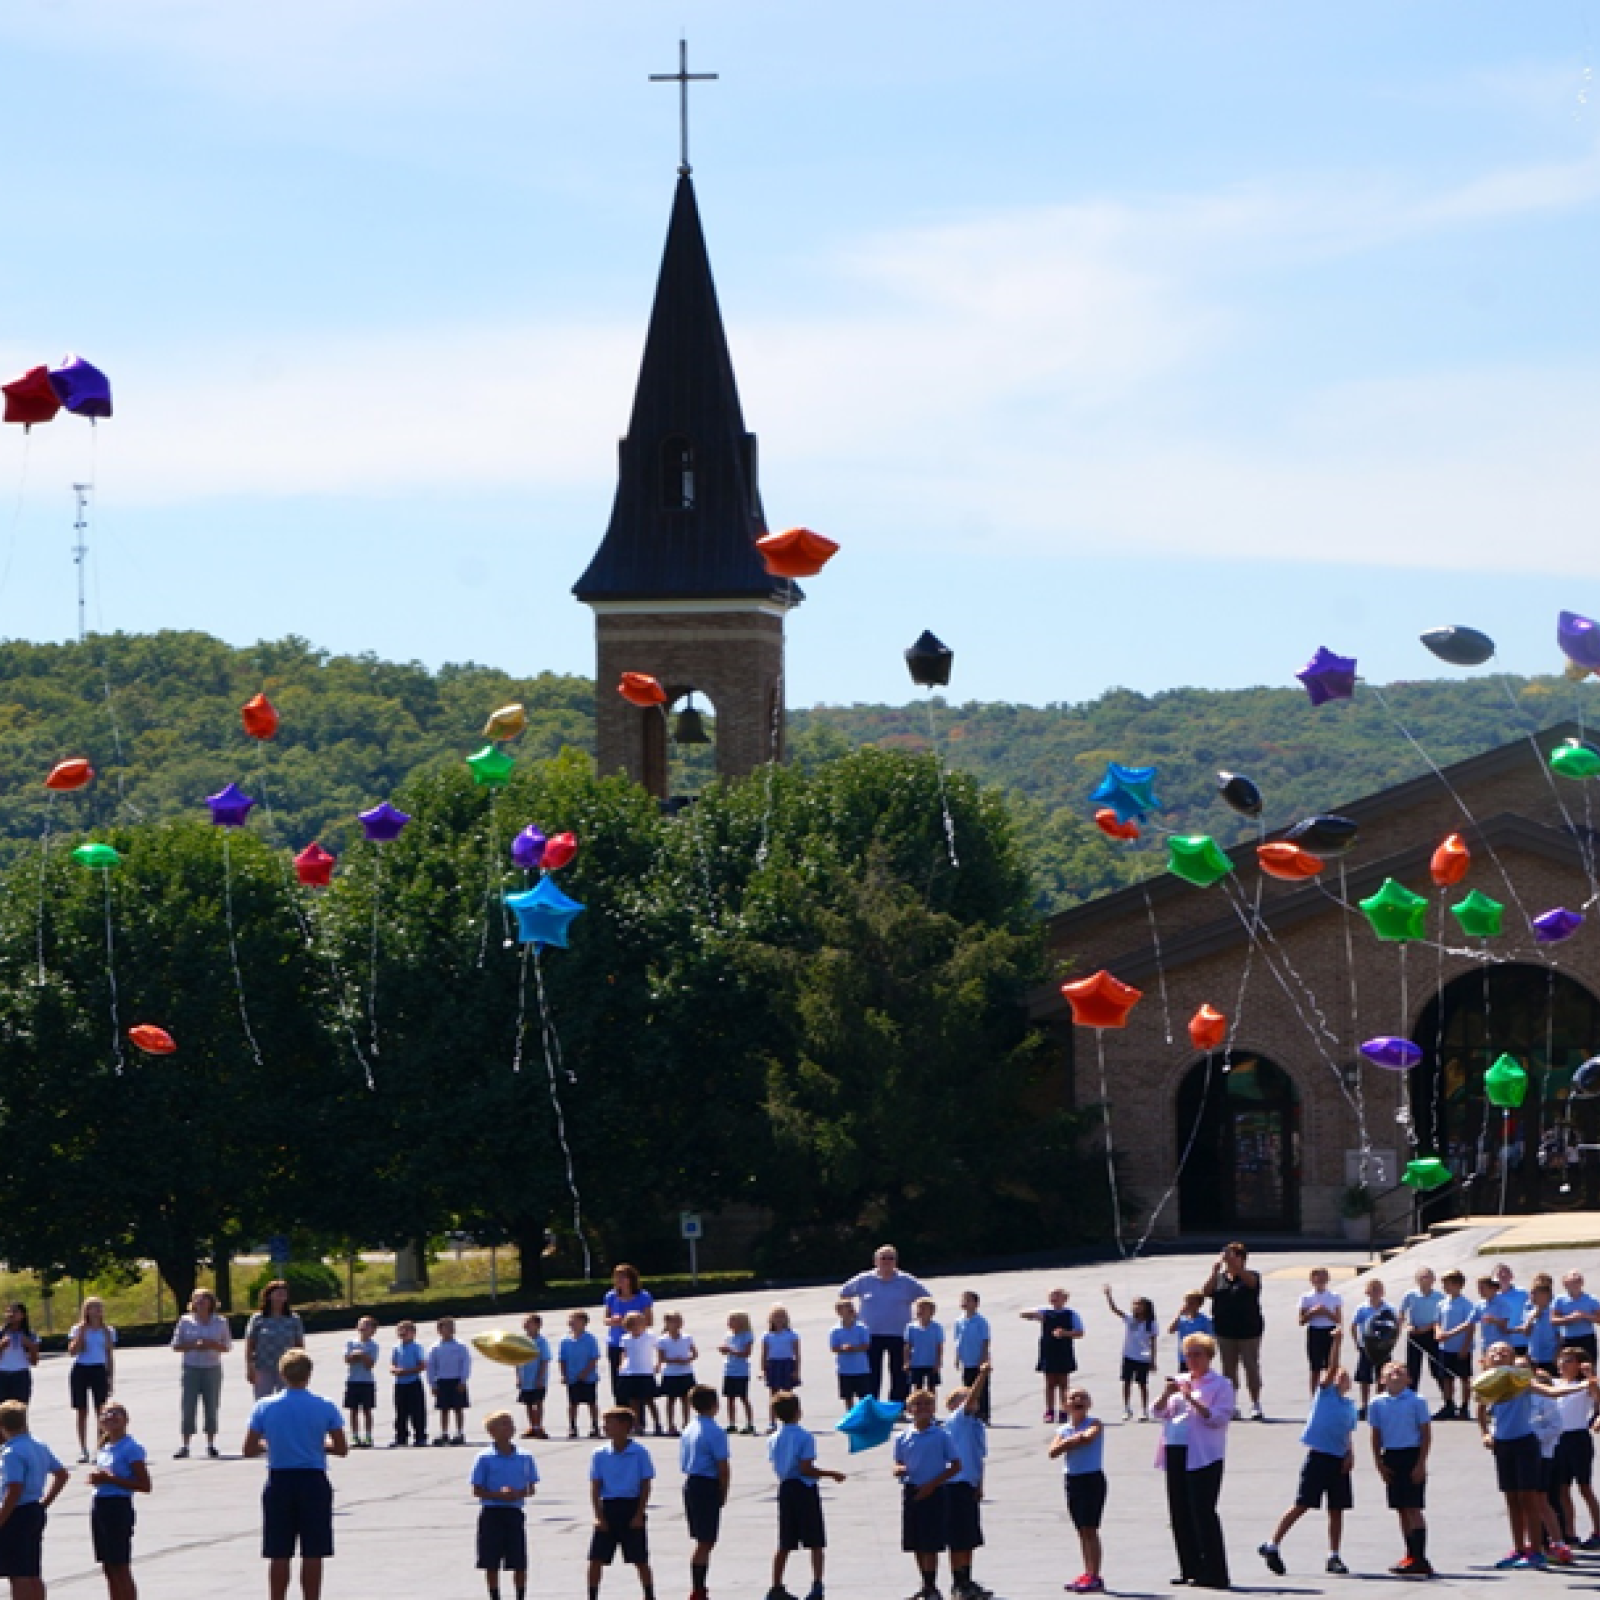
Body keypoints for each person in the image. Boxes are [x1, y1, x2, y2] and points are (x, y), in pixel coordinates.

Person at [242, 1349, 347, 1600]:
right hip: (312, 1479)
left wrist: (273, 1445)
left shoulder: (265, 1406)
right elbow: (342, 1448)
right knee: (313, 1551)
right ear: (309, 1374)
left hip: (280, 1479)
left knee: (279, 1552)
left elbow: (248, 1449)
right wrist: (317, 1445)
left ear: (282, 1373)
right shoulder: (324, 1405)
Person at [1258, 1328, 1356, 1578]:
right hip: (1319, 1457)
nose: (1339, 1378)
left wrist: (1350, 1453)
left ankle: (1333, 1555)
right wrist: (1337, 1341)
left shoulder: (1349, 1406)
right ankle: (1273, 1543)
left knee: (1337, 1509)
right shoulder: (1324, 1395)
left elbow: (1347, 1432)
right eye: (1337, 1376)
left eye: (1344, 1376)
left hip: (1338, 1459)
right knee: (1302, 1504)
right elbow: (1331, 1367)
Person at [1476, 1339, 1581, 1570]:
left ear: (1512, 1358)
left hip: (1525, 1443)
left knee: (1529, 1498)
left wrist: (1582, 1386)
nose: (1499, 1353)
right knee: (1511, 1499)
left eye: (1505, 1351)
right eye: (1494, 1350)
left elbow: (1551, 1392)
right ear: (1487, 1358)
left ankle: (1536, 1550)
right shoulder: (1486, 1382)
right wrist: (1485, 1433)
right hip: (1503, 1444)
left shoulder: (1520, 1379)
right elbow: (1481, 1409)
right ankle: (1519, 1548)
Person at [1152, 1331, 1235, 1591]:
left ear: (1209, 1356)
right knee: (1179, 1511)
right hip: (1176, 1450)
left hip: (1204, 1455)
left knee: (1203, 1512)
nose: (1192, 1360)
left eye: (1197, 1354)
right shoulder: (1179, 1380)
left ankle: (1215, 1571)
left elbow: (1219, 1418)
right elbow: (1156, 1411)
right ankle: (1190, 1568)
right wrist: (1167, 1394)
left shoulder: (1221, 1384)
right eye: (1188, 1355)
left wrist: (1191, 1399)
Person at [767, 1392, 843, 1600]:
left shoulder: (774, 1438)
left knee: (785, 1541)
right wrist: (831, 1474)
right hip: (803, 1489)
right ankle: (817, 1584)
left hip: (785, 1488)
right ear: (799, 1412)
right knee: (815, 1540)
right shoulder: (804, 1437)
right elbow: (806, 1468)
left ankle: (776, 1585)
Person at [893, 1386, 961, 1600]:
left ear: (933, 1409)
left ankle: (932, 1585)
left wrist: (933, 1484)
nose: (922, 1408)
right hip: (912, 1490)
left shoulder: (940, 1435)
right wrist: (898, 1470)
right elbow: (898, 1462)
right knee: (915, 1541)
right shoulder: (902, 1437)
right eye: (917, 1404)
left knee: (930, 1542)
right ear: (910, 1409)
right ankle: (925, 1583)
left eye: (927, 1404)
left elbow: (955, 1465)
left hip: (934, 1492)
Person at [839, 1246, 930, 1403]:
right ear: (875, 1261)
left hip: (900, 1333)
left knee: (900, 1372)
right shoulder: (864, 1279)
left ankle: (898, 1405)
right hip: (870, 1334)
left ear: (896, 1261)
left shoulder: (906, 1281)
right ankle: (872, 1405)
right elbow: (843, 1293)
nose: (887, 1262)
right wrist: (850, 1314)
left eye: (891, 1258)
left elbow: (926, 1298)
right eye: (883, 1258)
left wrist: (920, 1316)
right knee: (872, 1373)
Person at [1368, 1359, 1433, 1577]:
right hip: (1391, 1455)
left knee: (1414, 1507)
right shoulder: (1377, 1403)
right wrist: (1379, 1462)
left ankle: (1421, 1557)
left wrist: (1421, 1463)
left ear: (1409, 1379)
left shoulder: (1417, 1401)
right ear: (1382, 1379)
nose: (1395, 1372)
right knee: (1401, 1509)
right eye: (1390, 1370)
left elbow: (1425, 1433)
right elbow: (1375, 1435)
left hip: (1411, 1454)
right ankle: (1410, 1553)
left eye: (1401, 1370)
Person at [0, 1398, 67, 1600]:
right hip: (33, 1509)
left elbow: (14, 1488)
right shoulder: (38, 1445)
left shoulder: (11, 1452)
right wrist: (45, 1502)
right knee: (32, 1571)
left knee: (17, 1573)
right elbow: (61, 1474)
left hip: (16, 1513)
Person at [587, 1406, 655, 1600]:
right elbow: (595, 1486)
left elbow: (645, 1484)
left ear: (625, 1426)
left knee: (640, 1559)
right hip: (608, 1507)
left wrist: (639, 1514)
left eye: (610, 1423)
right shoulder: (599, 1454)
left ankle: (649, 1594)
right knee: (596, 1558)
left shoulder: (639, 1452)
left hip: (631, 1506)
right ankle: (592, 1595)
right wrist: (599, 1516)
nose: (605, 1427)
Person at [471, 1409, 538, 1600]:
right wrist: (497, 1494)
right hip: (492, 1512)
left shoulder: (525, 1457)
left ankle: (520, 1594)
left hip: (514, 1512)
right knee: (491, 1560)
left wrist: (518, 1493)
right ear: (492, 1431)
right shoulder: (484, 1458)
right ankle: (494, 1595)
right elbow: (476, 1490)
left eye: (511, 1423)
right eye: (504, 1423)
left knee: (519, 1560)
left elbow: (531, 1488)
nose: (510, 1427)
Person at [89, 1401, 151, 1600]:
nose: (111, 1417)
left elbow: (145, 1485)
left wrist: (110, 1479)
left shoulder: (131, 1447)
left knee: (120, 1565)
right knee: (108, 1566)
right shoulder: (105, 1448)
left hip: (118, 1507)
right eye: (106, 1414)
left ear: (126, 1420)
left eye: (117, 1413)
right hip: (101, 1506)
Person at [1049, 1386, 1106, 1595]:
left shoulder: (1095, 1423)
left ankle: (1095, 1575)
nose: (1078, 1400)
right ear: (1066, 1405)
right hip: (1073, 1480)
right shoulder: (1062, 1429)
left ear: (1089, 1404)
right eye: (1073, 1398)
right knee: (1081, 1530)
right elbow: (1053, 1451)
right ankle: (1087, 1571)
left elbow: (1088, 1438)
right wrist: (1072, 1441)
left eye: (1082, 1397)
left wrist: (1069, 1443)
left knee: (1091, 1528)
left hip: (1091, 1478)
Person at [943, 1366, 991, 1600]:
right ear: (953, 1406)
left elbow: (980, 1457)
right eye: (965, 1399)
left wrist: (980, 1484)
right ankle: (958, 1582)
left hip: (969, 1484)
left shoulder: (976, 1426)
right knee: (957, 1537)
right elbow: (973, 1397)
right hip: (954, 1484)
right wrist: (982, 1375)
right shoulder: (956, 1421)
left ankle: (967, 1578)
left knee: (969, 1538)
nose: (973, 1402)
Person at [1204, 1242, 1264, 1420]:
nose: (1229, 1259)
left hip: (1249, 1329)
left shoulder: (1251, 1275)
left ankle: (1255, 1403)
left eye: (1233, 1255)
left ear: (1242, 1258)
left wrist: (1238, 1268)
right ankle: (1232, 1404)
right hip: (1225, 1329)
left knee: (1251, 1367)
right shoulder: (1221, 1278)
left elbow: (1252, 1284)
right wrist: (1214, 1272)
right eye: (1227, 1255)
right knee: (1228, 1370)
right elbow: (1206, 1292)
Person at [679, 1385, 729, 1600]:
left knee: (702, 1539)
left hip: (691, 1482)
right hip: (706, 1484)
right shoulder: (715, 1431)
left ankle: (699, 1587)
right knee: (706, 1540)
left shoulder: (689, 1428)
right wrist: (723, 1491)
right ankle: (698, 1589)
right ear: (714, 1405)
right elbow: (723, 1465)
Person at [170, 1288, 232, 1459]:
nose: (200, 1303)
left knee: (211, 1405)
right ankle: (185, 1444)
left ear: (211, 1302)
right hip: (191, 1368)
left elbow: (227, 1346)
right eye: (197, 1299)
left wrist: (212, 1344)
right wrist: (193, 1345)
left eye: (204, 1299)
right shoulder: (185, 1321)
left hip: (212, 1367)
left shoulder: (220, 1322)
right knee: (188, 1406)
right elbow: (175, 1345)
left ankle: (210, 1443)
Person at [1550, 1345, 1600, 1550]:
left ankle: (1597, 1529)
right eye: (1561, 1359)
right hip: (1558, 1438)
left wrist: (1590, 1375)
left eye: (1569, 1360)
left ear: (1579, 1365)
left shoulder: (1586, 1385)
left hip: (1578, 1438)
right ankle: (1569, 1532)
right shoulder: (1554, 1383)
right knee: (1562, 1488)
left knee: (1585, 1487)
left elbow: (1597, 1398)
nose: (1563, 1364)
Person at [1020, 1289, 1082, 1424]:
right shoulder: (1044, 1310)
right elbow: (1022, 1313)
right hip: (1048, 1349)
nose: (1054, 1298)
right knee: (1049, 1382)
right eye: (1051, 1296)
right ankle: (1049, 1410)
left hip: (1064, 1350)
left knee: (1063, 1383)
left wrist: (1065, 1333)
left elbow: (1080, 1332)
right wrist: (1036, 1315)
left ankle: (1064, 1410)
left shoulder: (1071, 1314)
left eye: (1057, 1296)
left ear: (1064, 1299)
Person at [68, 1297, 117, 1463]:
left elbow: (109, 1355)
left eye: (99, 1307)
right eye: (93, 1307)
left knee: (101, 1411)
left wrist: (110, 1376)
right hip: (81, 1369)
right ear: (86, 1310)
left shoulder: (108, 1331)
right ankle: (83, 1449)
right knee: (81, 1410)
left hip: (99, 1369)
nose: (97, 1310)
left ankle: (101, 1447)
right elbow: (73, 1351)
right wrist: (81, 1333)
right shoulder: (78, 1329)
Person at [1103, 1285, 1157, 1421]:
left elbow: (1153, 1343)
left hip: (1143, 1358)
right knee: (1126, 1382)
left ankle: (1144, 1410)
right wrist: (1109, 1296)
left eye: (1139, 1304)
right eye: (1134, 1304)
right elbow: (1115, 1310)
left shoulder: (1151, 1323)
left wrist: (1153, 1360)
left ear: (1146, 1307)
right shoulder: (1129, 1318)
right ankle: (1126, 1408)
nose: (1136, 1306)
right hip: (1128, 1355)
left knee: (1142, 1384)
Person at [245, 1282, 305, 1402]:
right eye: (277, 1293)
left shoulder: (293, 1319)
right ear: (269, 1296)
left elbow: (300, 1345)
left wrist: (301, 1367)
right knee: (262, 1402)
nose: (281, 1296)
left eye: (284, 1294)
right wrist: (250, 1368)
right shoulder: (258, 1318)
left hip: (288, 1368)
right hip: (263, 1367)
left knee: (287, 1402)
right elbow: (250, 1345)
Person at [602, 1265, 654, 1403]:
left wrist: (630, 1322)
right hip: (616, 1342)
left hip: (636, 1343)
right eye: (616, 1276)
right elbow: (605, 1319)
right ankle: (620, 1415)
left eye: (622, 1276)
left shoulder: (643, 1296)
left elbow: (649, 1321)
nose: (619, 1280)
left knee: (636, 1382)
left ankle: (638, 1419)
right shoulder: (611, 1296)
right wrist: (612, 1320)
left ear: (631, 1279)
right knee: (618, 1381)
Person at [1350, 1278, 1399, 1416]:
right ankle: (1365, 1405)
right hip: (1367, 1347)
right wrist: (1357, 1343)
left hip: (1383, 1347)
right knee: (1364, 1377)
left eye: (1378, 1289)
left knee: (1383, 1376)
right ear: (1367, 1291)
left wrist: (1392, 1342)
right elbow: (1353, 1326)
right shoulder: (1362, 1308)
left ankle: (1380, 1403)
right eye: (1372, 1289)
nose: (1375, 1292)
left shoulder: (1389, 1308)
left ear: (1382, 1291)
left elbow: (1396, 1326)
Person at [1399, 1266, 1446, 1404]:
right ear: (1417, 1280)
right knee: (1412, 1368)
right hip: (1415, 1334)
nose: (1424, 1279)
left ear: (1433, 1280)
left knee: (1437, 1368)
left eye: (1428, 1276)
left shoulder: (1439, 1297)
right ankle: (1410, 1399)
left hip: (1432, 1334)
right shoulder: (1410, 1295)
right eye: (1422, 1277)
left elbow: (1442, 1318)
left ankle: (1447, 1401)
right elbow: (1402, 1313)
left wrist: (1428, 1328)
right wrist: (1406, 1326)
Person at [1434, 1269, 1476, 1420]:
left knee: (1464, 1377)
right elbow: (1437, 1321)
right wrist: (1438, 1332)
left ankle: (1464, 1407)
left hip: (1461, 1347)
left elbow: (1469, 1326)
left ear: (1458, 1285)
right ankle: (1449, 1404)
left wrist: (1465, 1346)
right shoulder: (1441, 1303)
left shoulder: (1467, 1304)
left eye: (1448, 1284)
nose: (1445, 1287)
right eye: (1444, 1284)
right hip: (1445, 1347)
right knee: (1446, 1378)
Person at [1296, 1267, 1342, 1396]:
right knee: (1315, 1367)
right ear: (1312, 1279)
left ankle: (1331, 1394)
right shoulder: (1306, 1297)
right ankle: (1314, 1397)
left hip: (1330, 1331)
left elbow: (1338, 1319)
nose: (1321, 1280)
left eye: (1324, 1277)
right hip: (1315, 1331)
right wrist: (1312, 1312)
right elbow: (1301, 1320)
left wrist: (1327, 1312)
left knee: (1331, 1367)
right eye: (1318, 1277)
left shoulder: (1334, 1296)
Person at [616, 1311, 663, 1437]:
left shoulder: (650, 1336)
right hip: (631, 1372)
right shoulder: (625, 1338)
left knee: (649, 1400)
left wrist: (658, 1363)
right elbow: (624, 1352)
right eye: (632, 1325)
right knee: (633, 1401)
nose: (636, 1327)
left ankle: (657, 1424)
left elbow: (659, 1349)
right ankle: (637, 1425)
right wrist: (622, 1364)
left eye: (638, 1324)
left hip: (645, 1372)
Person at [427, 1317, 472, 1446]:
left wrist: (463, 1380)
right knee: (444, 1409)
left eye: (452, 1326)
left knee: (458, 1408)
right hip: (442, 1381)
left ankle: (459, 1432)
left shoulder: (460, 1346)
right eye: (447, 1327)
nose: (451, 1329)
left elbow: (465, 1363)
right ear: (439, 1330)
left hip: (456, 1380)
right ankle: (444, 1433)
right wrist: (433, 1384)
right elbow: (431, 1366)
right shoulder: (435, 1348)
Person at [560, 1312, 602, 1440]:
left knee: (591, 1402)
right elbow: (562, 1359)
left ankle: (595, 1426)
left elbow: (594, 1357)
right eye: (570, 1320)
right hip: (572, 1377)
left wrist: (586, 1372)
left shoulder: (590, 1339)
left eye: (575, 1320)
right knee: (573, 1403)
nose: (571, 1323)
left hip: (588, 1377)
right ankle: (572, 1426)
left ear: (584, 1323)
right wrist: (564, 1375)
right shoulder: (565, 1340)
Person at [655, 1312, 698, 1436]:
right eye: (674, 1321)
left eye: (679, 1321)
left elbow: (694, 1353)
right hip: (670, 1373)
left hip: (686, 1372)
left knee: (686, 1399)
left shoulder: (687, 1337)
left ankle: (686, 1423)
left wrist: (687, 1359)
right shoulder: (662, 1340)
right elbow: (661, 1358)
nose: (677, 1324)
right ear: (667, 1323)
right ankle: (671, 1425)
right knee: (671, 1399)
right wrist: (674, 1360)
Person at [951, 1294, 991, 1424]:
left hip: (978, 1360)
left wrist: (984, 1358)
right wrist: (957, 1357)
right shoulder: (959, 1321)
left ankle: (984, 1414)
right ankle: (969, 1412)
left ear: (976, 1304)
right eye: (963, 1300)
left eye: (968, 1300)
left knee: (982, 1388)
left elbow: (985, 1341)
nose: (965, 1303)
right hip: (966, 1360)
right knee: (967, 1388)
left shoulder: (981, 1321)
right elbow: (957, 1341)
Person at [389, 1319, 428, 1448]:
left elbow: (422, 1365)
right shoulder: (396, 1348)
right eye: (400, 1332)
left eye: (405, 1332)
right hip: (400, 1384)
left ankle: (420, 1436)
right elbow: (392, 1363)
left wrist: (407, 1371)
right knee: (400, 1411)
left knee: (417, 1411)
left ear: (413, 1333)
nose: (402, 1334)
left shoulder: (417, 1347)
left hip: (413, 1382)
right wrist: (394, 1369)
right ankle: (401, 1437)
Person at [761, 1307, 801, 1432]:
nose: (779, 1319)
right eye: (776, 1316)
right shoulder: (767, 1336)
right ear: (771, 1319)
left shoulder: (792, 1335)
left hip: (787, 1364)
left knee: (788, 1395)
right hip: (773, 1364)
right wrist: (763, 1369)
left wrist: (796, 1370)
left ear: (786, 1319)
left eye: (781, 1316)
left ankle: (791, 1419)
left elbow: (797, 1354)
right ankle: (772, 1422)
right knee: (774, 1395)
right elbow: (764, 1353)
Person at [342, 1316, 378, 1450]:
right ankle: (355, 1436)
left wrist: (362, 1355)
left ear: (373, 1331)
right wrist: (354, 1355)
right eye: (361, 1325)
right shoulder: (351, 1343)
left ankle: (368, 1435)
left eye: (367, 1325)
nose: (363, 1327)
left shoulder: (373, 1345)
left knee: (367, 1410)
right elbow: (347, 1359)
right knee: (353, 1410)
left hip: (367, 1381)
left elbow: (370, 1364)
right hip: (352, 1380)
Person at [828, 1303, 872, 1413]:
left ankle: (864, 1417)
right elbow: (833, 1348)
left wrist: (854, 1348)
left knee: (864, 1397)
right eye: (847, 1308)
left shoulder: (862, 1328)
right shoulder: (835, 1330)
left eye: (851, 1308)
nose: (850, 1310)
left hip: (861, 1369)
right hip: (844, 1370)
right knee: (848, 1396)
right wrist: (842, 1348)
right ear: (839, 1312)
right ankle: (851, 1416)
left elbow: (866, 1345)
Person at [719, 1312, 756, 1436]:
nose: (729, 1323)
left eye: (732, 1320)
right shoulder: (728, 1335)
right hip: (729, 1370)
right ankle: (732, 1423)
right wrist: (723, 1350)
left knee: (743, 1397)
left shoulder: (747, 1335)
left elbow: (746, 1353)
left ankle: (750, 1423)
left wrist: (731, 1350)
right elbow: (727, 1351)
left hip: (741, 1371)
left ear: (741, 1322)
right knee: (730, 1398)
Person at [1552, 1271, 1600, 1366]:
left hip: (1587, 1337)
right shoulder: (1559, 1300)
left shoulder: (1592, 1299)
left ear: (1582, 1283)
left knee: (1588, 1365)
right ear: (1565, 1284)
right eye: (1573, 1281)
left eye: (1578, 1281)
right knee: (1569, 1366)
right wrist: (1569, 1318)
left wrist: (1585, 1316)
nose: (1576, 1284)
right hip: (1568, 1338)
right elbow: (1553, 1320)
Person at [515, 1313, 551, 1441]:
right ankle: (532, 1426)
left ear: (538, 1325)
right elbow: (517, 1360)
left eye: (528, 1322)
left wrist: (540, 1377)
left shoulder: (541, 1342)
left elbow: (544, 1360)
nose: (525, 1325)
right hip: (526, 1378)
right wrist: (518, 1377)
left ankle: (539, 1426)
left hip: (537, 1378)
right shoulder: (521, 1341)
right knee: (528, 1403)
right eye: (524, 1322)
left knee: (538, 1402)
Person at [1483, 1264, 1530, 1354]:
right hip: (1498, 1344)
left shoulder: (1522, 1293)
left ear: (1512, 1276)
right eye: (1499, 1274)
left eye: (1506, 1273)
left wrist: (1526, 1326)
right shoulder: (1490, 1296)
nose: (1503, 1275)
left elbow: (1534, 1310)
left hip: (1520, 1340)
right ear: (1493, 1279)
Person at [904, 1299, 944, 1394]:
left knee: (932, 1387)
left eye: (923, 1308)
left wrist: (938, 1362)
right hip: (916, 1362)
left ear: (931, 1312)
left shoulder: (936, 1327)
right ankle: (917, 1406)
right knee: (917, 1387)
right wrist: (906, 1361)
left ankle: (932, 1406)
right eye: (919, 1308)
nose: (920, 1311)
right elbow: (907, 1345)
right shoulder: (911, 1327)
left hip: (931, 1362)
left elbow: (939, 1345)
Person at [0, 1310, 38, 1408]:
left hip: (21, 1375)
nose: (11, 1314)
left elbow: (34, 1362)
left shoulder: (29, 1334)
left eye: (15, 1311)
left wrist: (30, 1346)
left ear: (23, 1315)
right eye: (8, 1312)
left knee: (20, 1411)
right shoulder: (1, 1333)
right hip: (2, 1375)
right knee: (2, 1412)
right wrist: (1, 1346)